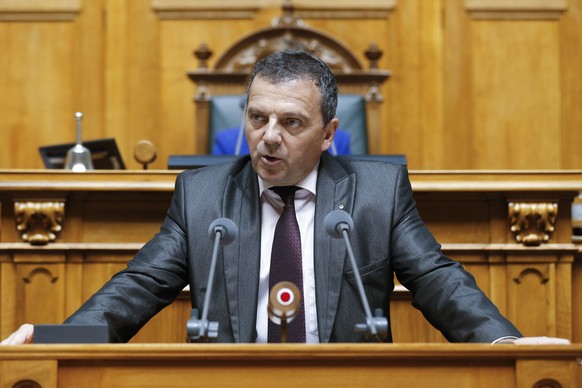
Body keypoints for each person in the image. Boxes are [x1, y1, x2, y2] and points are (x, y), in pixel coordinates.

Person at [3, 49, 525, 345]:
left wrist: (506, 346)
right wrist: (57, 342)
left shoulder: (376, 193)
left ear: (328, 134)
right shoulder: (203, 194)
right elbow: (137, 287)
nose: (268, 135)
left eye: (291, 122)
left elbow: (437, 280)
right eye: (257, 118)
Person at [212, 125, 352, 156]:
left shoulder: (338, 140)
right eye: (258, 116)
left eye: (292, 121)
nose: (270, 137)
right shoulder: (228, 141)